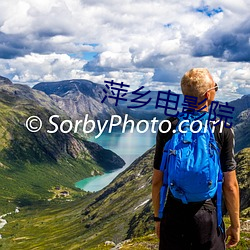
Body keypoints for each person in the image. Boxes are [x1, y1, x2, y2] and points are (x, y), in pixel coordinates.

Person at [152, 68, 240, 250]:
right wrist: (235, 225)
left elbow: (157, 181)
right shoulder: (222, 129)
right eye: (216, 87)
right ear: (209, 95)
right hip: (207, 215)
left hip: (174, 213)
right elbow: (230, 185)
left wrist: (158, 218)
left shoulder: (168, 126)